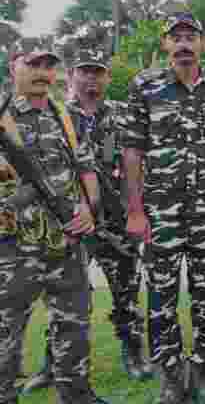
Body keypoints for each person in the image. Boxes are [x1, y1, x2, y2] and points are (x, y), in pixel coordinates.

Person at [123, 12, 205, 404]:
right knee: (161, 294)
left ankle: (203, 373)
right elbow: (132, 149)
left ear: (202, 44)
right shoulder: (145, 86)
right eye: (175, 37)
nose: (183, 43)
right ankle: (171, 377)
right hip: (160, 212)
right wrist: (136, 209)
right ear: (165, 45)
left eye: (190, 36)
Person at [21, 47, 151, 394]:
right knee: (64, 297)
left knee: (126, 292)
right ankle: (54, 364)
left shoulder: (122, 115)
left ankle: (133, 353)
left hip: (115, 221)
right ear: (73, 75)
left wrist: (134, 210)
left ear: (106, 77)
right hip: (72, 222)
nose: (91, 78)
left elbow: (136, 163)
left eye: (98, 72)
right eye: (85, 71)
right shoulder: (56, 114)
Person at [0, 38, 109, 404]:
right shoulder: (3, 117)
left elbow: (86, 168)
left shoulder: (64, 115)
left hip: (66, 244)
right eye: (33, 64)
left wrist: (89, 210)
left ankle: (76, 396)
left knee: (74, 328)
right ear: (14, 65)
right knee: (5, 334)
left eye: (48, 66)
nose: (43, 73)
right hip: (14, 250)